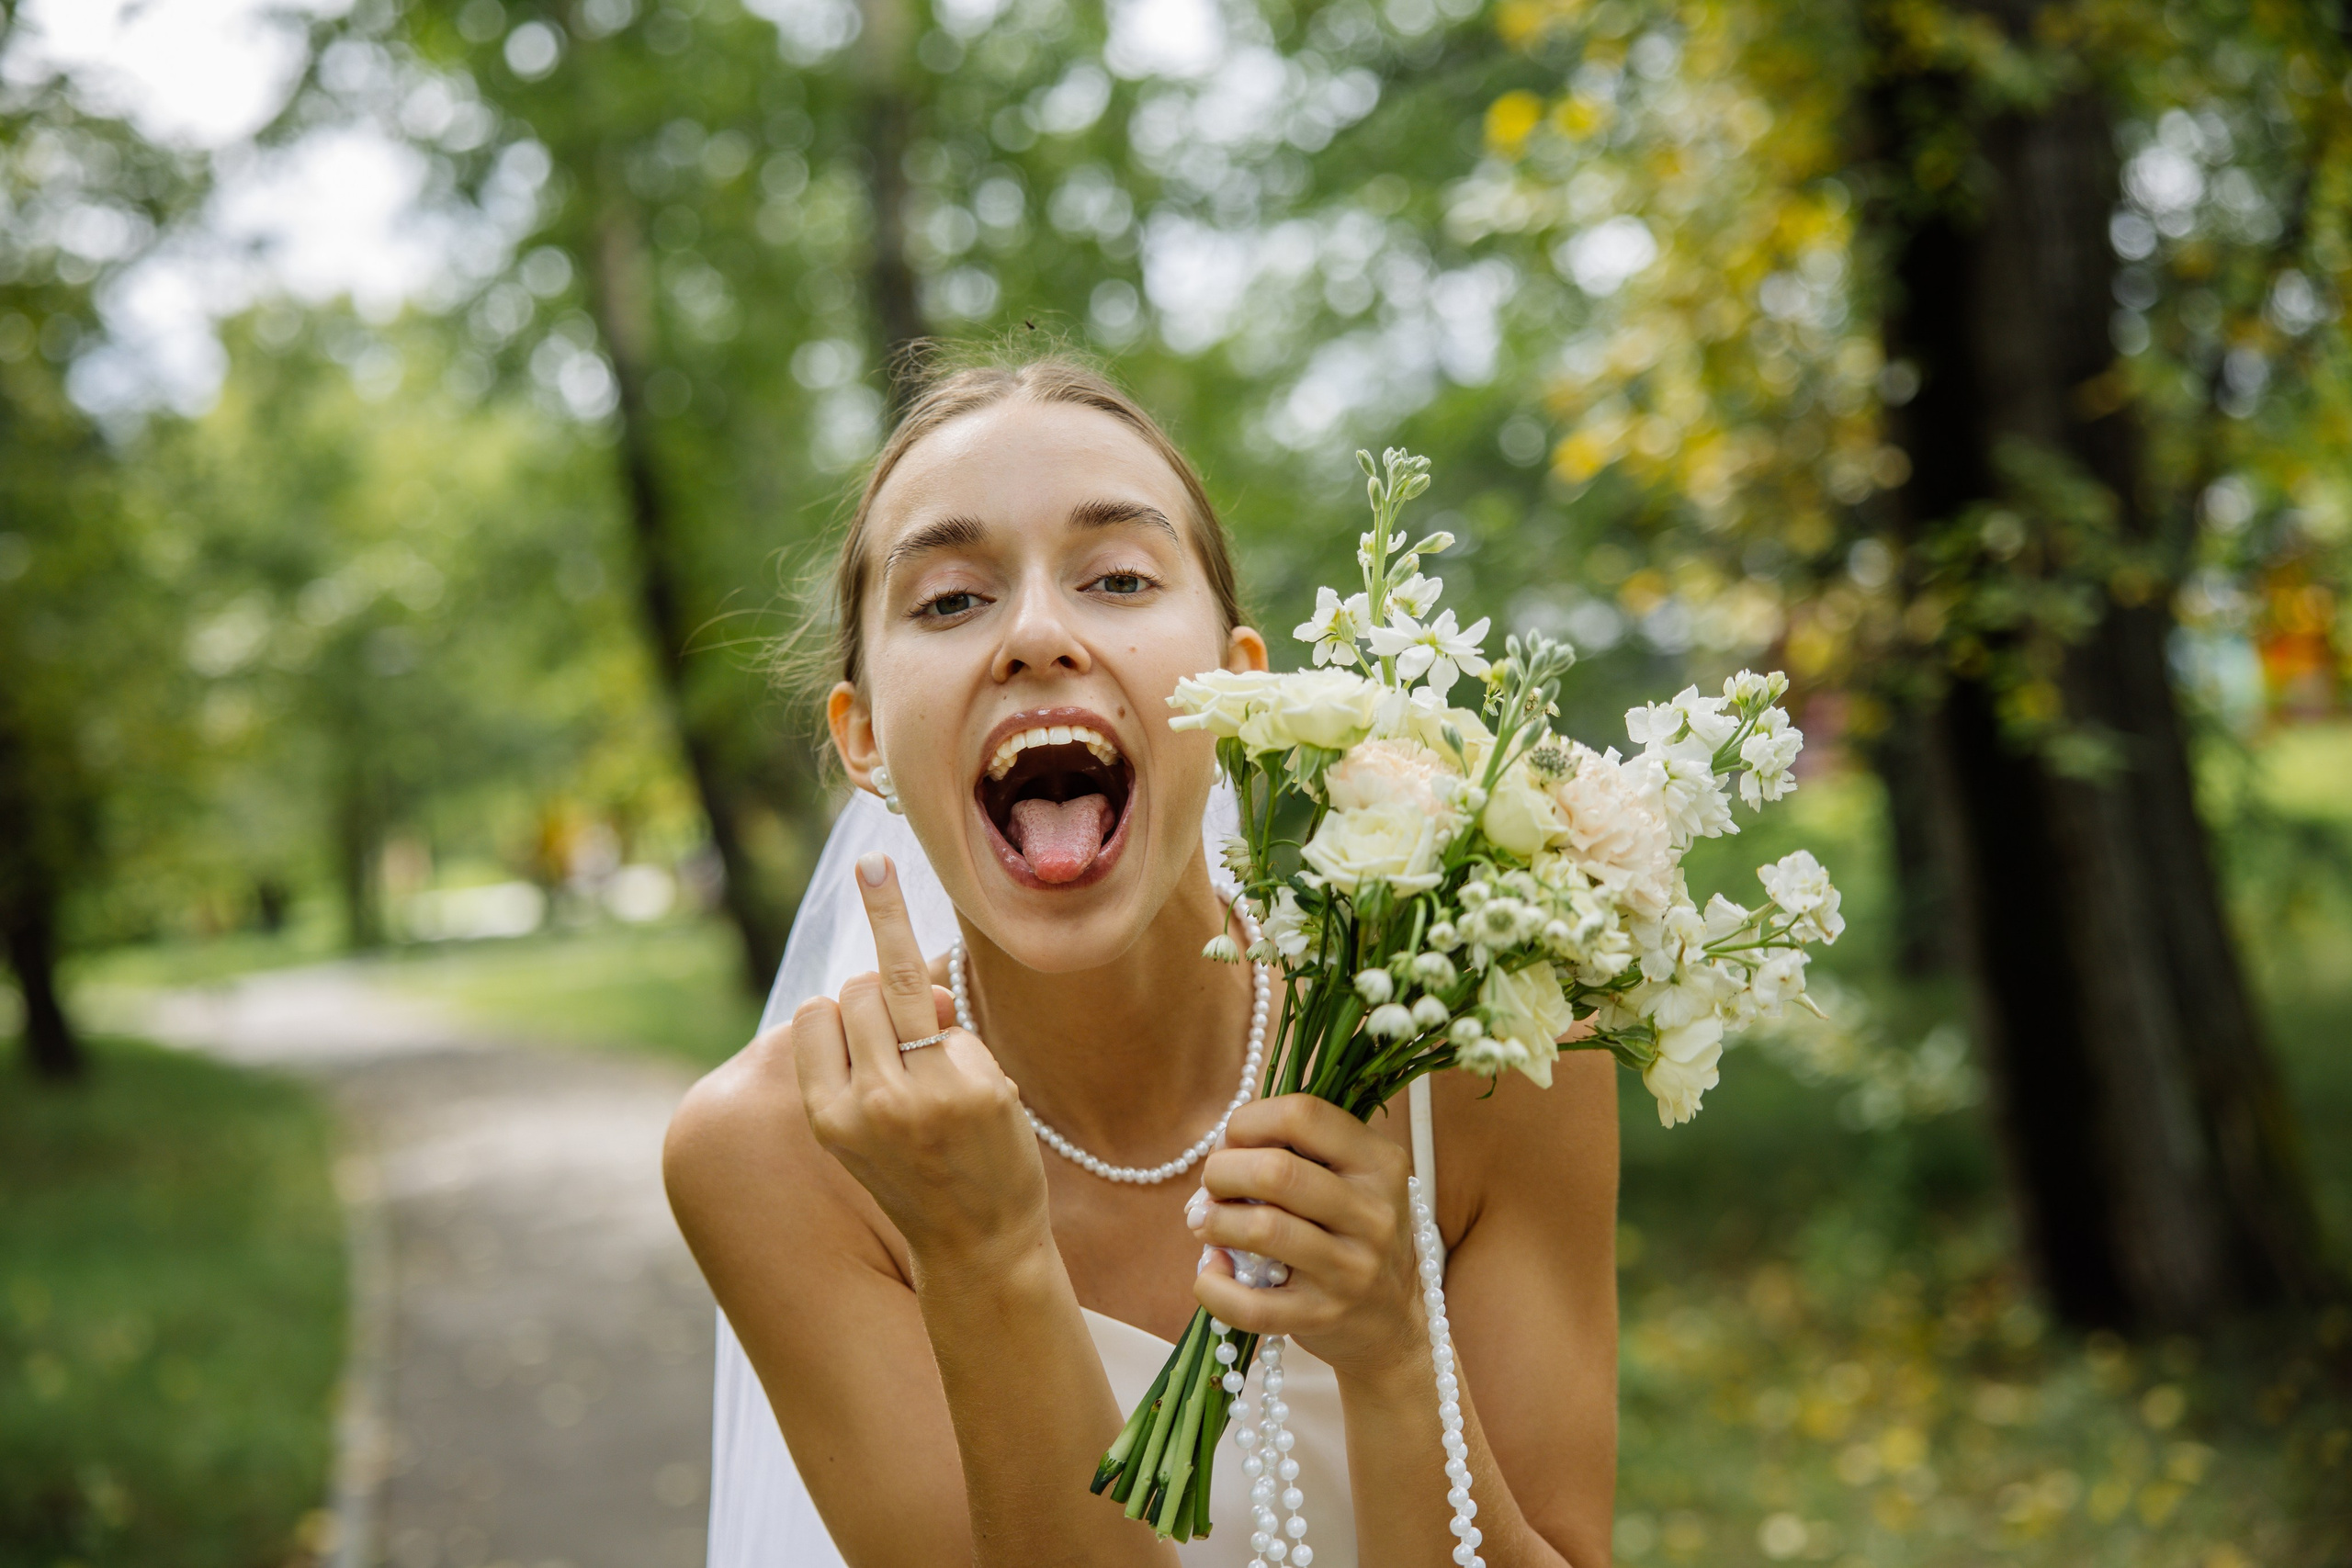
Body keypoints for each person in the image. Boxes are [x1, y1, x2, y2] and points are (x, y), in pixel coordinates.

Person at [663, 350, 1619, 1568]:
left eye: (1117, 576)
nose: (1037, 634)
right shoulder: (774, 1158)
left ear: (1239, 689)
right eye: (951, 600)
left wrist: (1393, 1354)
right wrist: (985, 1256)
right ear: (861, 740)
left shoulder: (1493, 1055)